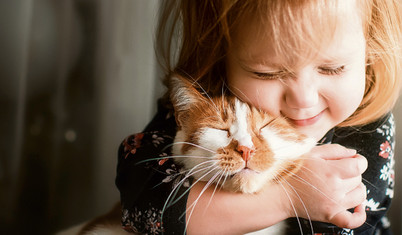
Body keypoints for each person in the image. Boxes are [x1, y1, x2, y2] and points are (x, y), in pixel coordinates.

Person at [115, 0, 402, 234]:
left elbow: (351, 224)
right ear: (220, 56)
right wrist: (285, 197)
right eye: (267, 73)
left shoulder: (367, 128)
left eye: (333, 68)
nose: (304, 99)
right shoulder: (207, 104)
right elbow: (145, 203)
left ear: (370, 55)